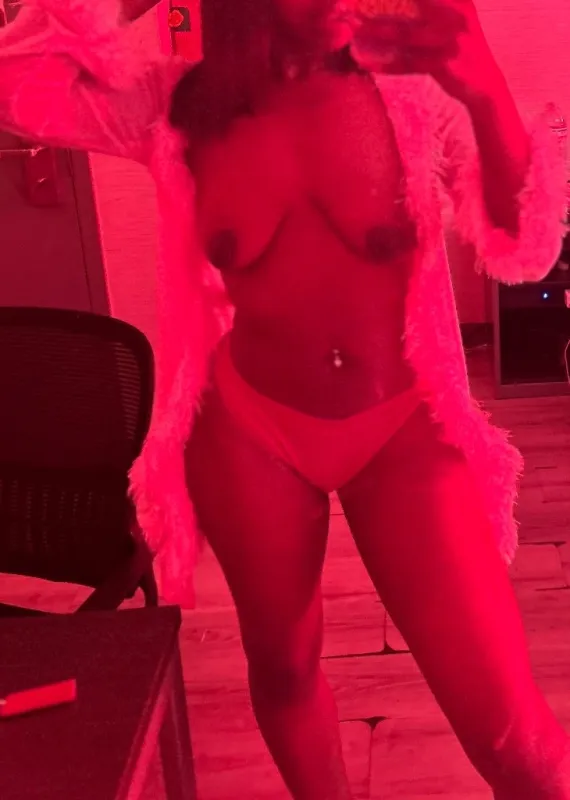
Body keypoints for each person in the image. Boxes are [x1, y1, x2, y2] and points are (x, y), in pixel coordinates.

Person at [1, 0, 568, 797]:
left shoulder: (410, 87)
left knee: (519, 742)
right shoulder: (178, 100)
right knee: (286, 667)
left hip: (403, 424)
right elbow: (16, 82)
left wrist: (482, 84)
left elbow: (527, 250)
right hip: (250, 429)